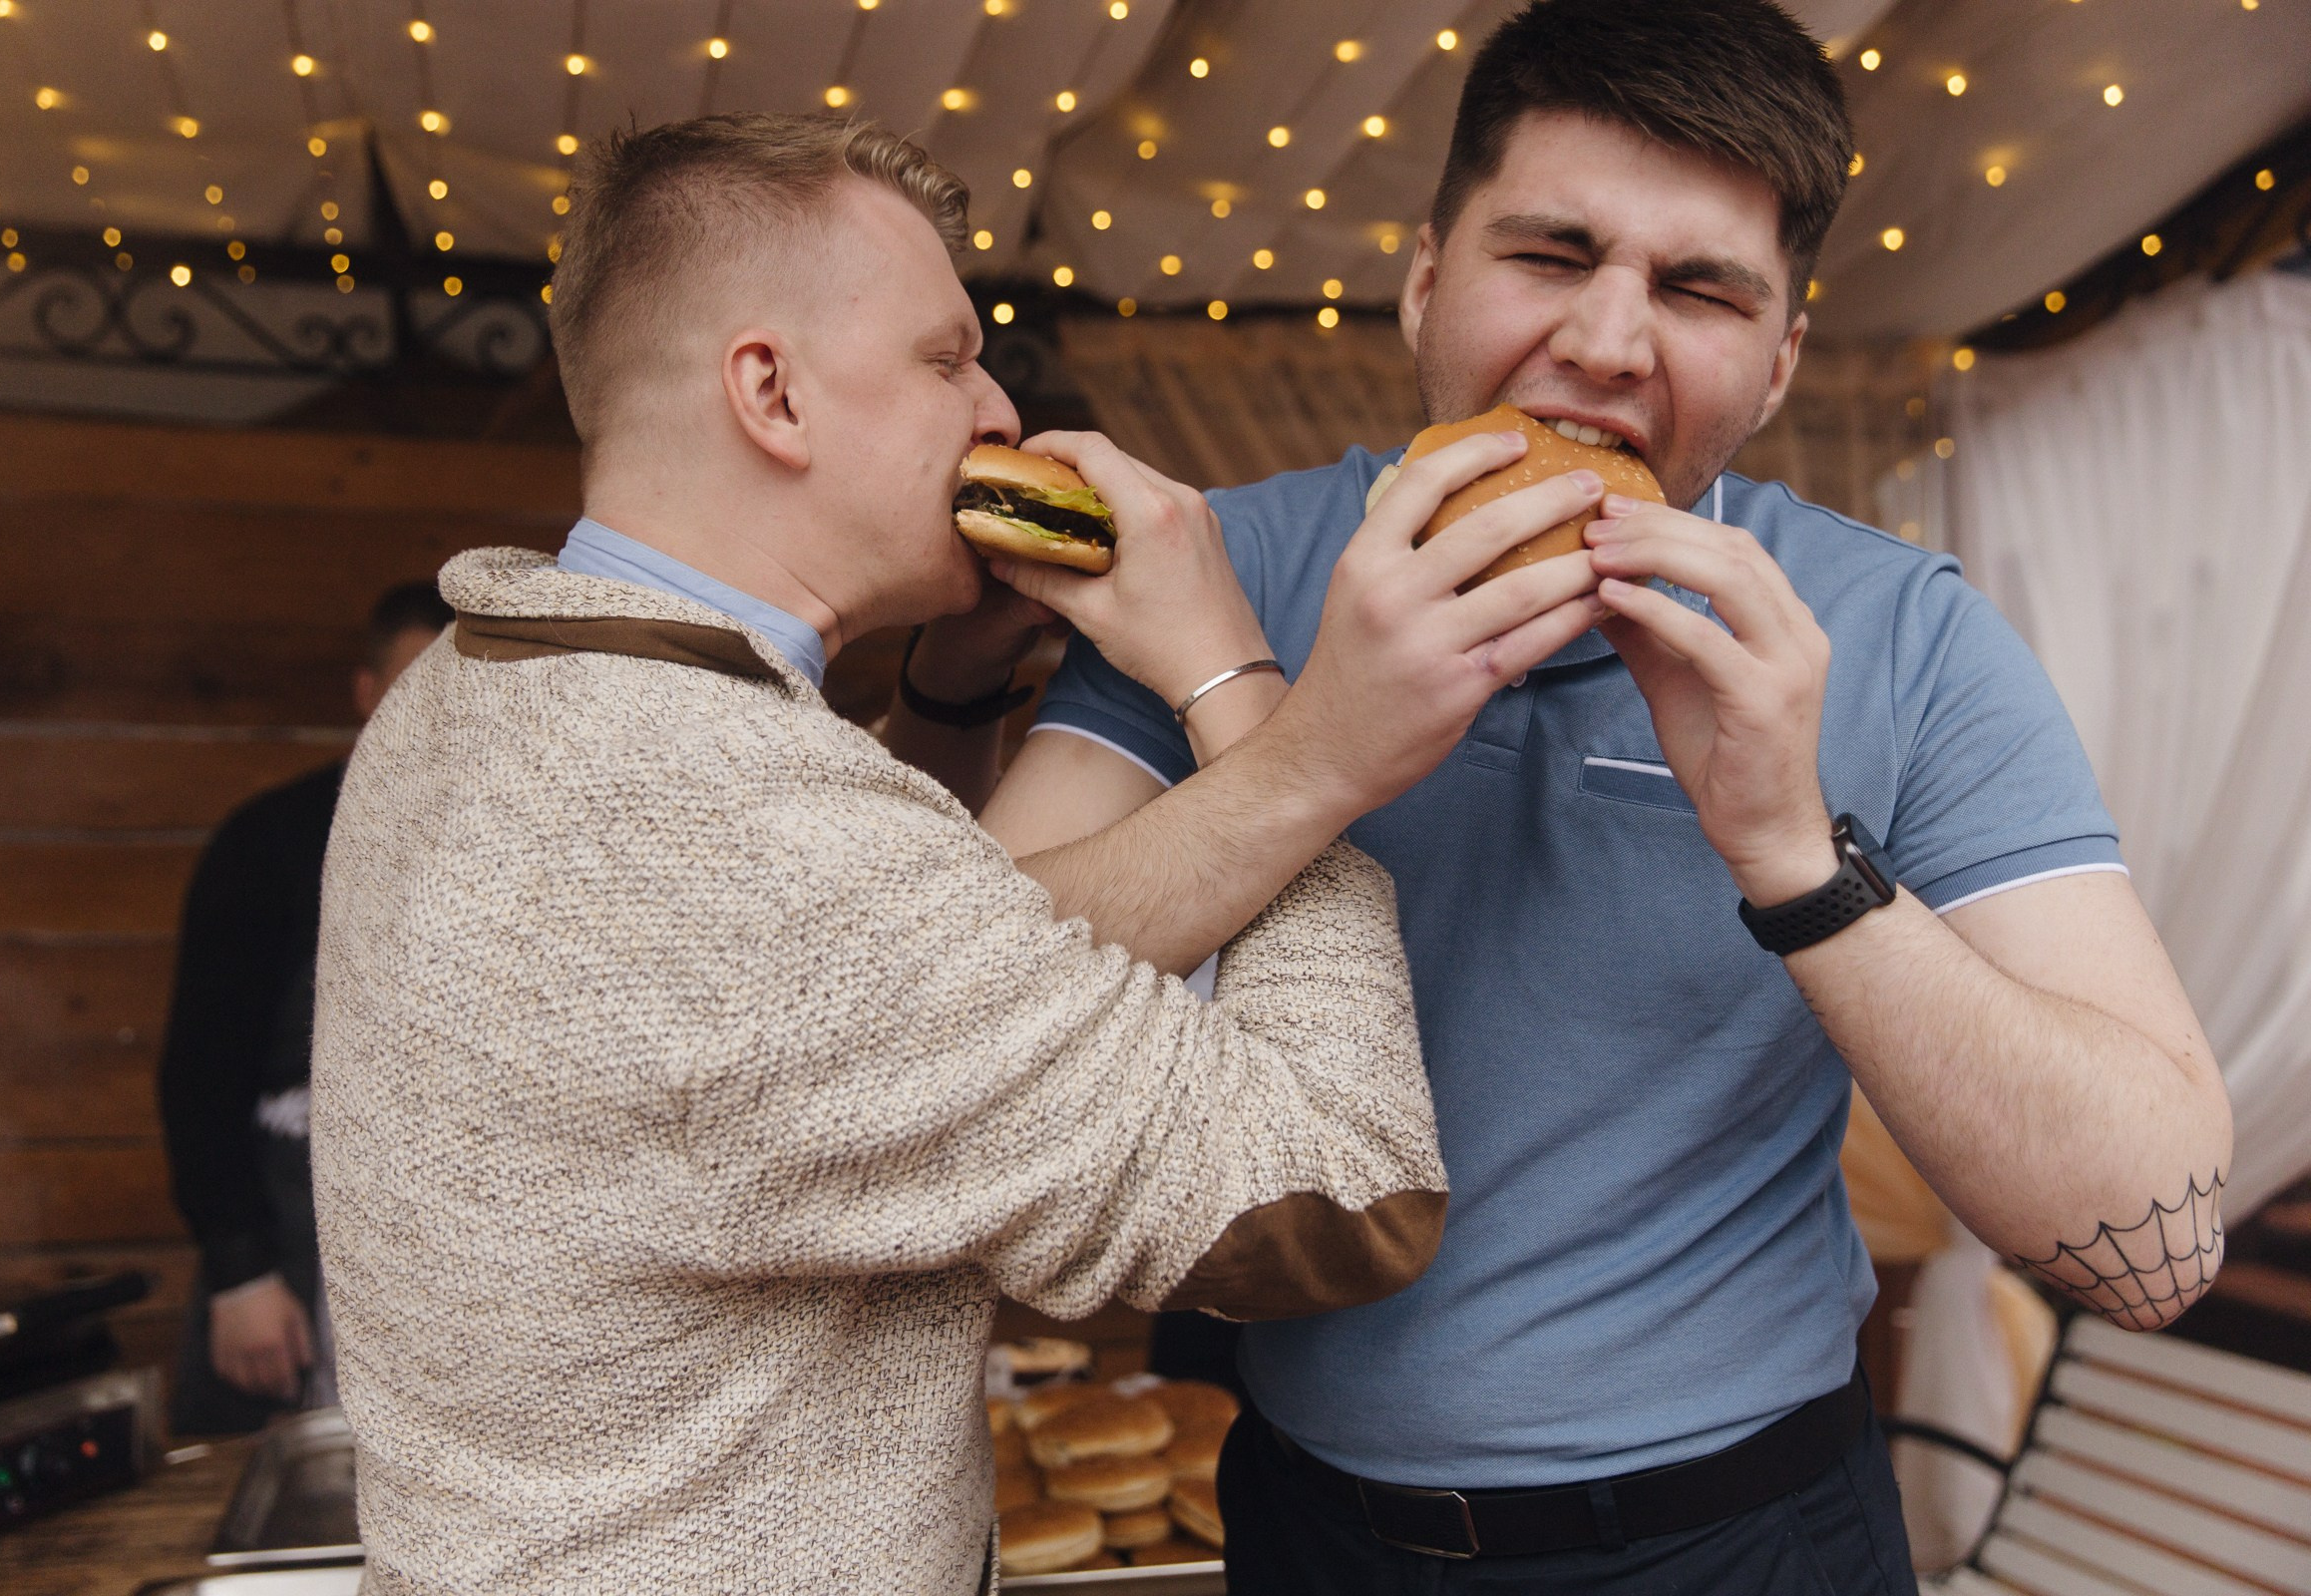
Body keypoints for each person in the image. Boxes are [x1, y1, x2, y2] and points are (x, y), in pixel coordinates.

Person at [951, 3, 2233, 1590]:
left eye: (1700, 291)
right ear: (1428, 276)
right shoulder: (1222, 566)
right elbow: (963, 1011)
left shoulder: (1897, 638)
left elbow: (2156, 1244)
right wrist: (1313, 753)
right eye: (1552, 256)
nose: (1611, 343)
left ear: (1776, 366)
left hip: (1746, 1533)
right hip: (1304, 1519)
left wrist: (1789, 854)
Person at [311, 113, 1616, 1593]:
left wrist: (943, 695)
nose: (997, 409)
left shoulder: (484, 682)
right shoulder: (737, 839)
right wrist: (1277, 721)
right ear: (773, 392)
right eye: (946, 360)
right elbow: (1338, 1198)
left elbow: (852, 1001)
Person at [158, 582, 449, 1434]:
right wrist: (241, 1272)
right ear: (365, 692)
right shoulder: (269, 842)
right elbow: (199, 1076)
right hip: (291, 1231)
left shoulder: (519, 835)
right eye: (412, 680)